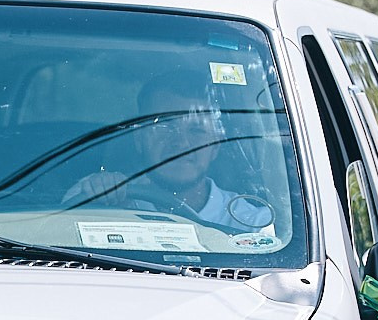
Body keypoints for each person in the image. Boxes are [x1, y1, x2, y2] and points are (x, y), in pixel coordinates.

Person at [63, 69, 276, 234]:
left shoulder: (251, 222)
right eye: (164, 127)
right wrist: (102, 202)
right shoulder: (104, 195)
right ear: (139, 139)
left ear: (215, 145)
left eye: (196, 130)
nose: (181, 143)